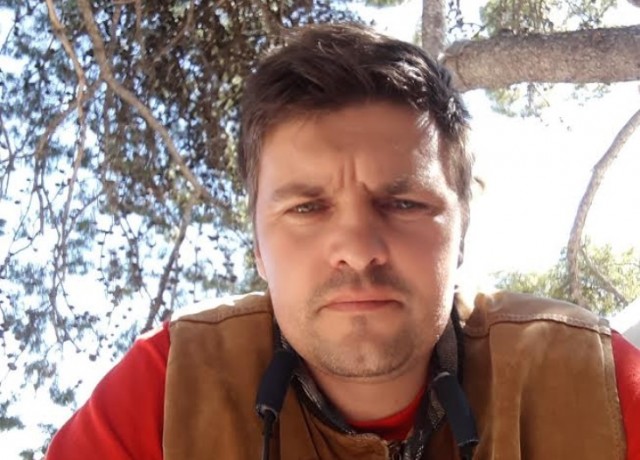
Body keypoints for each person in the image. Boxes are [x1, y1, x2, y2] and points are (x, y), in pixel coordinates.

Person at [46, 23, 640, 460]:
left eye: (404, 203)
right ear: (258, 247)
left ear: (462, 230)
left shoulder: (591, 382)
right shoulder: (169, 390)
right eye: (306, 208)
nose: (357, 248)